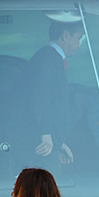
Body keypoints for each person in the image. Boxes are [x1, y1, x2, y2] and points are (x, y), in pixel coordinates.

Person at [29, 17, 84, 166]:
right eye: (78, 38)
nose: (79, 45)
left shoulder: (50, 58)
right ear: (66, 35)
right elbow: (41, 98)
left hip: (51, 142)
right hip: (43, 146)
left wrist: (59, 142)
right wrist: (45, 134)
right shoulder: (48, 59)